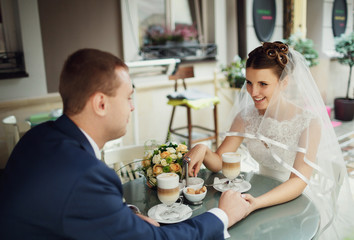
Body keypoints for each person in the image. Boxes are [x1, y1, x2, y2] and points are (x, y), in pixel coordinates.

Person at [0, 48, 250, 239]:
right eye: (128, 97)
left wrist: (125, 217)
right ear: (100, 104)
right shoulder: (86, 176)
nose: (132, 106)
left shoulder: (37, 137)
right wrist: (222, 215)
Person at [186, 41, 354, 239]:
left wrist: (256, 203)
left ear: (284, 83)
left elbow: (298, 182)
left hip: (293, 202)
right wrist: (203, 149)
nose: (253, 92)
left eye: (263, 84)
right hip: (256, 190)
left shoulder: (309, 123)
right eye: (249, 82)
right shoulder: (245, 117)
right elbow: (219, 163)